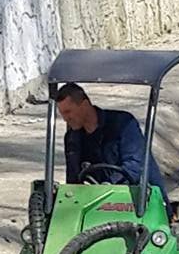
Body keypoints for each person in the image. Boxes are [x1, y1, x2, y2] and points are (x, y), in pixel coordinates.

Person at [55, 82, 171, 216]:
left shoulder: (123, 124)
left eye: (68, 112)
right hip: (96, 206)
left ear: (85, 105)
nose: (65, 119)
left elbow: (135, 165)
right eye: (62, 113)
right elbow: (74, 179)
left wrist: (107, 186)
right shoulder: (72, 138)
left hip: (136, 201)